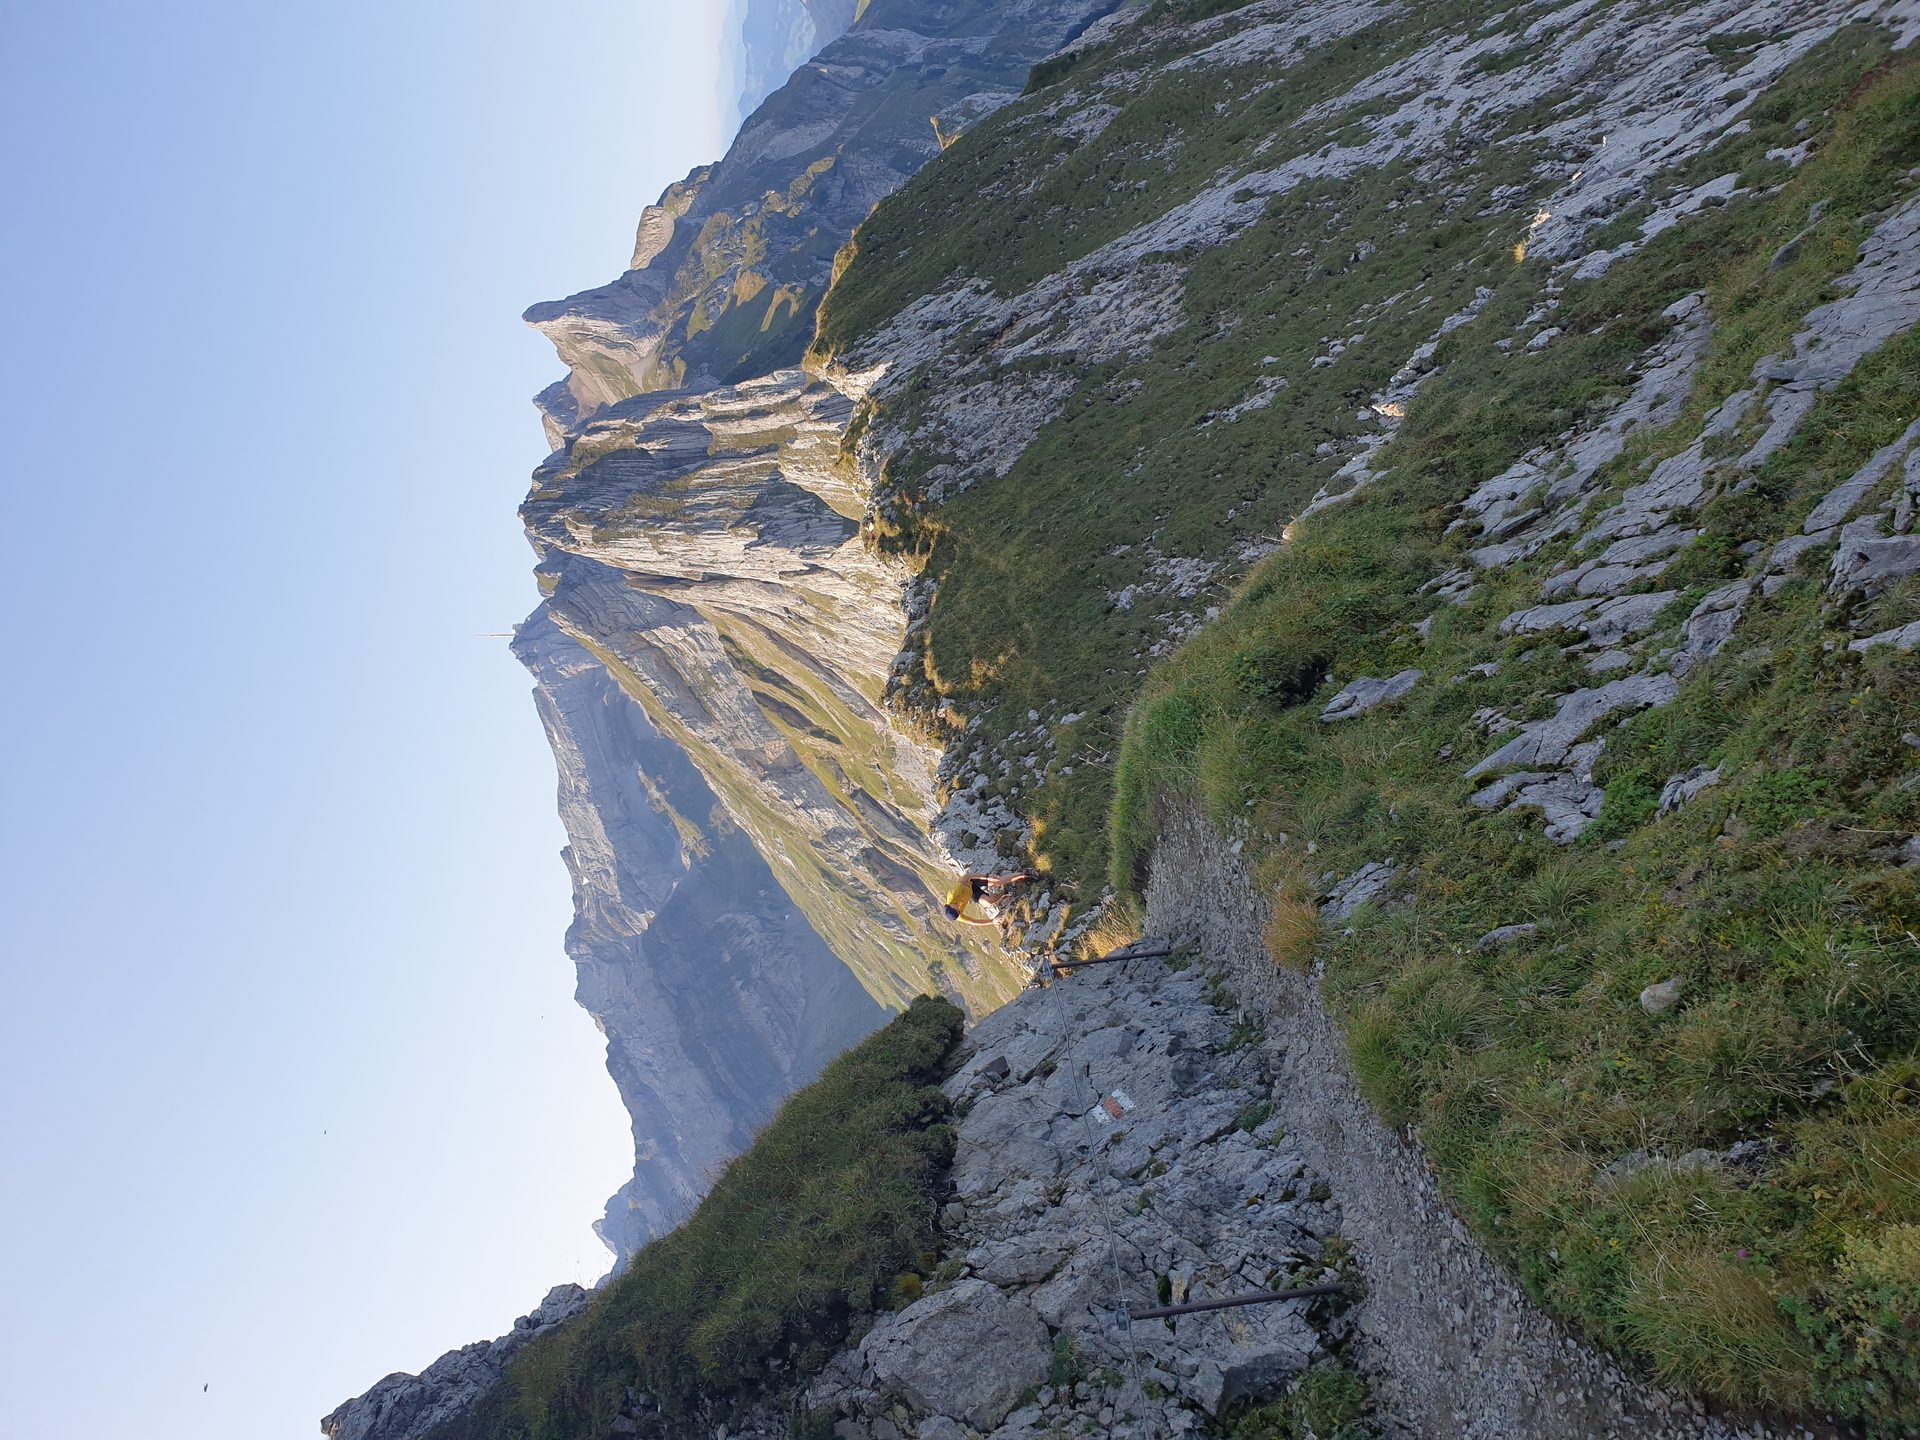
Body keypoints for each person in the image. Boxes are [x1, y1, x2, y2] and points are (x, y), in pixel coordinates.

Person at [942, 870, 1034, 926]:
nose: (959, 908)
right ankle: (1004, 892)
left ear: (950, 905)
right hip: (971, 893)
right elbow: (973, 922)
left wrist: (987, 877)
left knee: (997, 881)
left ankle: (1023, 874)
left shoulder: (954, 893)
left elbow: (968, 876)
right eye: (958, 911)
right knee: (988, 902)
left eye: (956, 908)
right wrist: (992, 921)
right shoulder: (957, 915)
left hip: (971, 881)